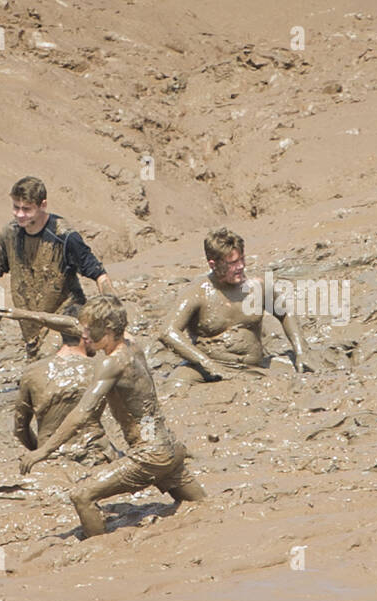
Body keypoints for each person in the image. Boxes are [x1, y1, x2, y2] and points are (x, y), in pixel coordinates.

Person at [20, 295, 206, 538]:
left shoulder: (111, 364)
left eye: (88, 330)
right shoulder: (132, 344)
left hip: (149, 455)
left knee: (82, 496)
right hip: (169, 447)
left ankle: (99, 554)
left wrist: (42, 451)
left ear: (106, 329)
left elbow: (82, 414)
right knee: (204, 508)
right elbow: (71, 325)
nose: (82, 335)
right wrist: (23, 314)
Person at [0, 176, 114, 359]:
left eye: (27, 209)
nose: (20, 214)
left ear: (42, 205)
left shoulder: (65, 237)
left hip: (65, 327)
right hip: (31, 329)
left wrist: (112, 320)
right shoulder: (10, 234)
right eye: (16, 207)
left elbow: (99, 275)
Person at [159, 227, 312, 383]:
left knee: (306, 373)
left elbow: (285, 313)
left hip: (255, 366)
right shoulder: (197, 293)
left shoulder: (257, 287)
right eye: (232, 263)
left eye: (242, 259)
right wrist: (207, 364)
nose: (240, 266)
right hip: (207, 368)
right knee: (176, 383)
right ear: (213, 264)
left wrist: (301, 351)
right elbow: (167, 332)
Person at [3, 316, 115, 465]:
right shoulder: (103, 369)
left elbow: (20, 429)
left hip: (50, 459)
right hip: (94, 456)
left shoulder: (32, 372)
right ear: (85, 335)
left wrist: (40, 453)